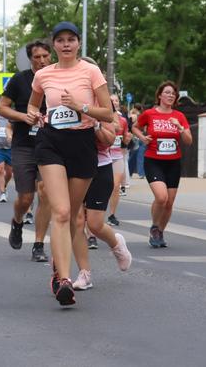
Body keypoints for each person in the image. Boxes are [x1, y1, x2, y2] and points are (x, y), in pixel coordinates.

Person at [27, 21, 114, 306]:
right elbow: (33, 103)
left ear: (78, 43)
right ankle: (63, 280)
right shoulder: (43, 74)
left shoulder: (91, 71)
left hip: (83, 144)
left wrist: (81, 107)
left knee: (73, 213)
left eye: (71, 39)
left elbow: (109, 114)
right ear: (54, 45)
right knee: (61, 212)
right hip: (51, 142)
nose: (66, 44)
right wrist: (34, 115)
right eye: (61, 40)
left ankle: (59, 262)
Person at [0, 38, 53, 263]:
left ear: (51, 56)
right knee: (26, 196)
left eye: (45, 56)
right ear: (30, 59)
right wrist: (24, 117)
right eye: (36, 57)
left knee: (46, 192)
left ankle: (39, 244)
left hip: (51, 144)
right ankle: (17, 222)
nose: (41, 61)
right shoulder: (19, 80)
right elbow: (1, 107)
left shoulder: (58, 79)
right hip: (24, 144)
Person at [71, 105, 132, 290]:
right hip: (75, 167)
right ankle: (85, 274)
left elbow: (110, 139)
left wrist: (94, 123)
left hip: (100, 167)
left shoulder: (102, 104)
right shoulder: (62, 98)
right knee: (78, 221)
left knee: (95, 225)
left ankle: (116, 244)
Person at [132, 80, 192, 248]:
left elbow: (188, 140)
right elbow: (135, 127)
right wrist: (142, 138)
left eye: (173, 93)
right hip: (153, 160)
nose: (170, 95)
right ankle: (154, 226)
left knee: (169, 202)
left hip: (173, 162)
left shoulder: (179, 116)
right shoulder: (149, 114)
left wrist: (180, 128)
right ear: (159, 95)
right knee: (161, 197)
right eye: (167, 92)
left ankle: (159, 231)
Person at [106, 94, 132, 227]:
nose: (114, 102)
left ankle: (111, 214)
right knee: (103, 186)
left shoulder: (123, 120)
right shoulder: (103, 118)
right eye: (111, 100)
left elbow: (124, 140)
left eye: (116, 100)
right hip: (103, 155)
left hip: (117, 156)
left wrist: (127, 139)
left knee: (116, 186)